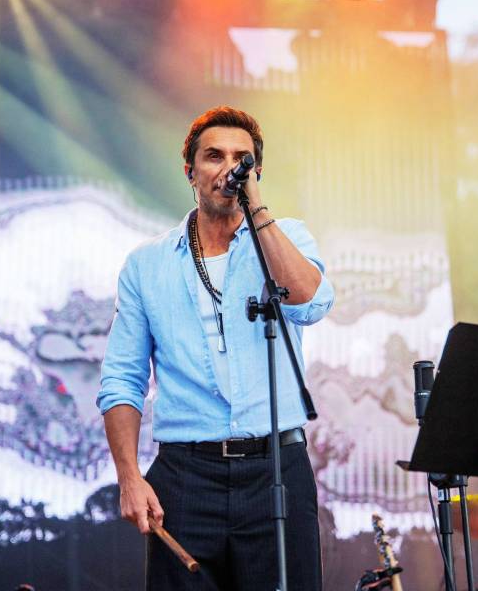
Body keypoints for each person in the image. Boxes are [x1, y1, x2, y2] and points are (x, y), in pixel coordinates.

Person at [97, 106, 334, 590]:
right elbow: (122, 379)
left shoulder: (286, 237)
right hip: (186, 475)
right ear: (190, 171)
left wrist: (258, 209)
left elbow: (310, 302)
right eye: (214, 156)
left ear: (257, 171)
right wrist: (129, 476)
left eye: (241, 159)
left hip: (276, 468)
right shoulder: (147, 264)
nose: (229, 168)